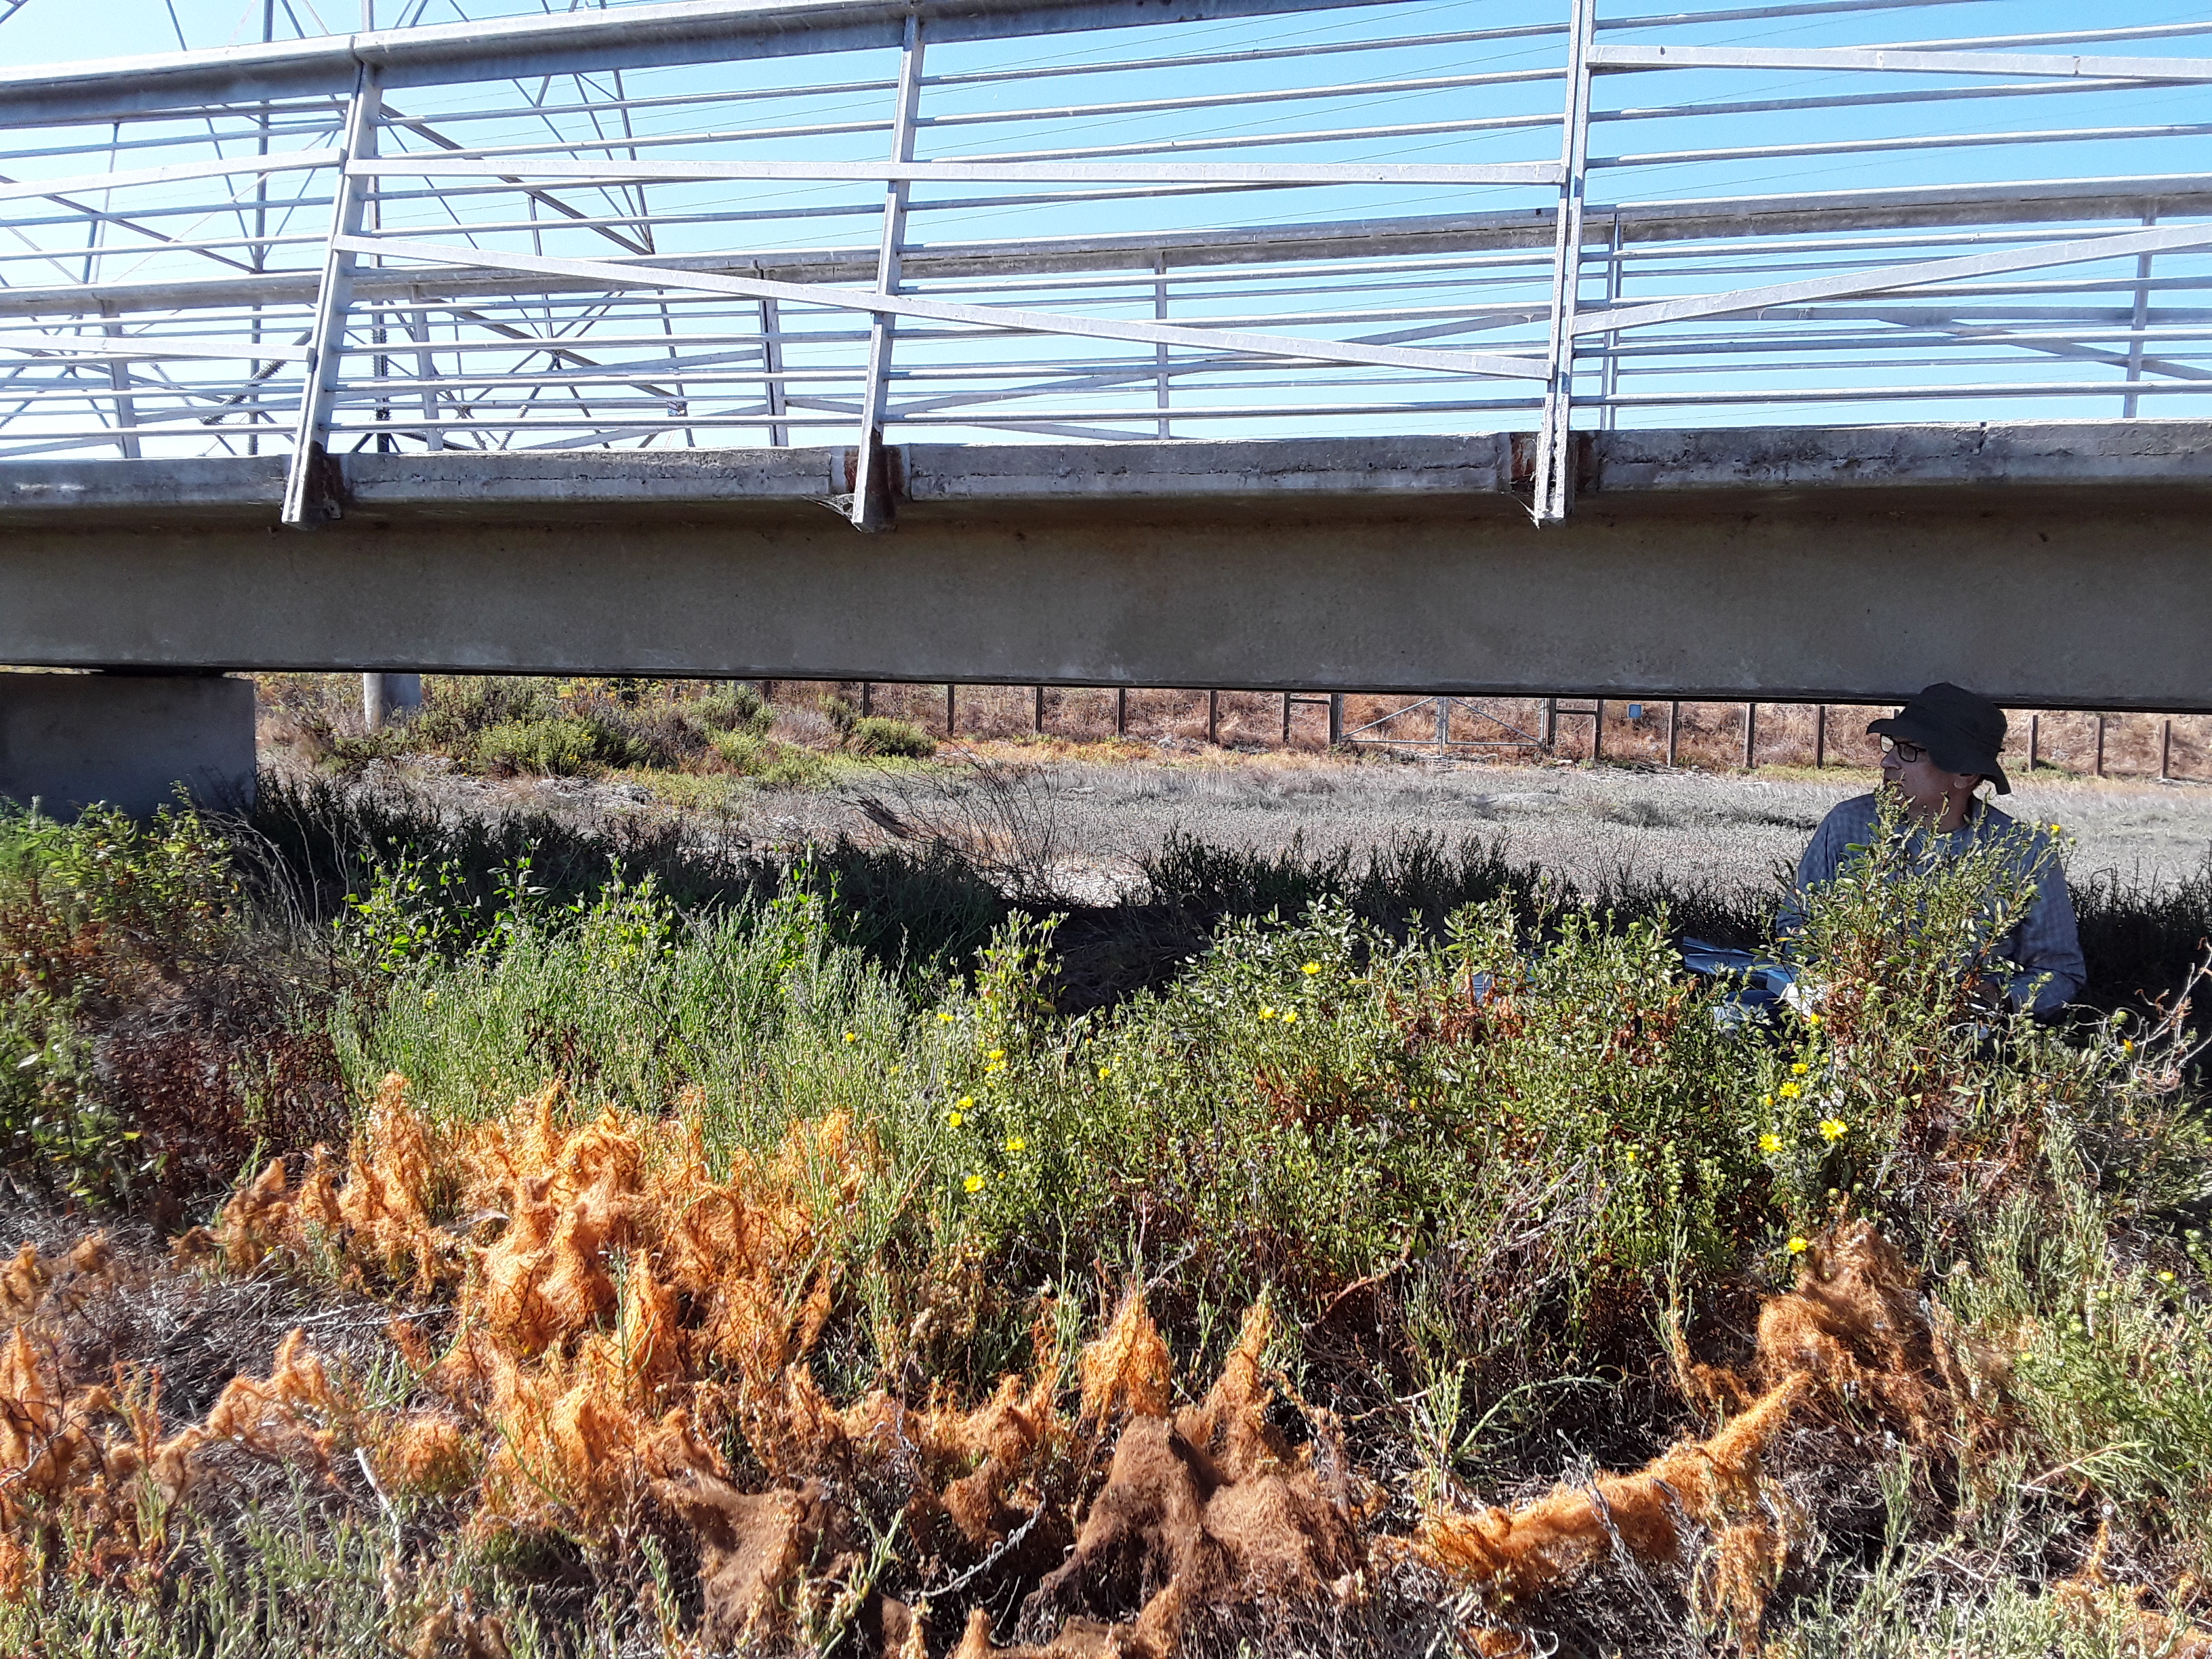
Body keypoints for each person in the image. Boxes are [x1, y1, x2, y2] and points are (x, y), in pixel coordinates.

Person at [1788, 682, 2085, 1017]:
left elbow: (2060, 971)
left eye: (1910, 751)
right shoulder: (1848, 824)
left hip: (1965, 1038)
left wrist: (1997, 999)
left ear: (1965, 774)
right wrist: (1842, 976)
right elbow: (1795, 924)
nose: (1887, 761)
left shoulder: (2025, 853)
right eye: (1892, 745)